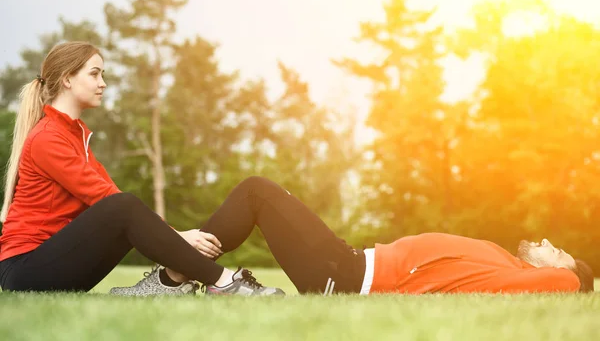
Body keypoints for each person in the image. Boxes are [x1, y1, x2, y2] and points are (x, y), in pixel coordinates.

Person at [0, 42, 283, 296]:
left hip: (56, 263)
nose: (103, 83)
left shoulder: (75, 136)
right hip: (26, 269)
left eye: (103, 75)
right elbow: (105, 198)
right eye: (95, 73)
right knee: (121, 204)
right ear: (67, 80)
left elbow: (115, 201)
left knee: (122, 204)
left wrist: (175, 237)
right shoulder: (48, 137)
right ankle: (224, 282)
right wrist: (178, 236)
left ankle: (168, 282)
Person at [119, 176, 594, 295]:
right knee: (258, 193)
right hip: (348, 261)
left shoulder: (539, 280)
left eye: (558, 253)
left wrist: (575, 277)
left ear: (558, 273)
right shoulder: (501, 260)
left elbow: (569, 286)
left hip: (344, 277)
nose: (549, 244)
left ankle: (174, 274)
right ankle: (178, 272)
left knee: (258, 192)